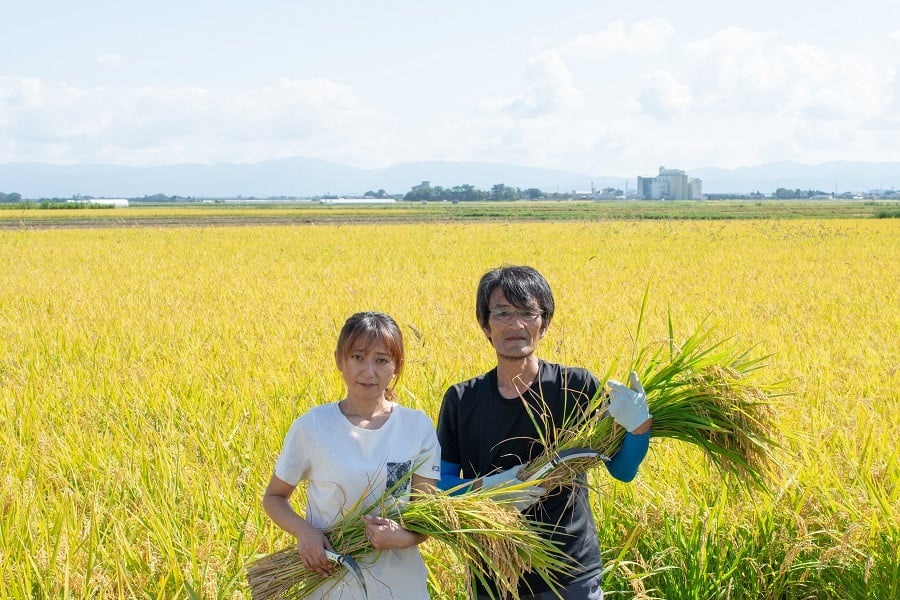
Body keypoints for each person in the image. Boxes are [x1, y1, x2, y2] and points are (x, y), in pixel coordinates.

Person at [436, 266, 652, 600]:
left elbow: (621, 470)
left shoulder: (576, 387)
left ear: (545, 323)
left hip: (571, 574)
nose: (515, 325)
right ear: (485, 325)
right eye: (502, 313)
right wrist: (491, 488)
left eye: (527, 313)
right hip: (494, 574)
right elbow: (439, 488)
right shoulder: (462, 399)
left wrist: (639, 427)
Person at [263, 311, 441, 600]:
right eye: (358, 357)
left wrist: (401, 537)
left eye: (381, 360)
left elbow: (427, 518)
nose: (368, 371)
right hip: (331, 583)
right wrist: (304, 532)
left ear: (397, 366)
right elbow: (274, 498)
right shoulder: (313, 426)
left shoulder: (416, 426)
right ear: (339, 361)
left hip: (401, 587)